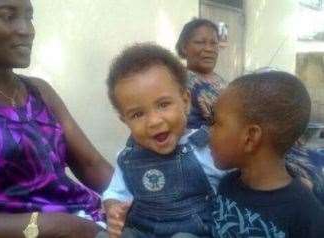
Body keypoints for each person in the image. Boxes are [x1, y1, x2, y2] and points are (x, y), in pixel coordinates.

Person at [0, 0, 112, 237]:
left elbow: (91, 164)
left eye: (29, 17)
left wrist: (142, 197)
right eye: (8, 16)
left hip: (90, 223)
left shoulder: (39, 91)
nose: (26, 29)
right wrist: (43, 226)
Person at [99, 43, 225, 238]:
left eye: (163, 104)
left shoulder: (206, 148)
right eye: (137, 114)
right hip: (142, 232)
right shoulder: (128, 159)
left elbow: (240, 183)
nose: (154, 121)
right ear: (125, 120)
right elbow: (115, 193)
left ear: (185, 101)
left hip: (193, 232)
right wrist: (113, 208)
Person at [209, 71, 324, 237]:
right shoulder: (226, 185)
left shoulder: (307, 215)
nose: (209, 131)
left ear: (250, 137)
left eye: (216, 122)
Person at [175, 18, 227, 129]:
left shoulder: (223, 81)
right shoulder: (179, 83)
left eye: (214, 43)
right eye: (200, 42)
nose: (209, 49)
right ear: (184, 47)